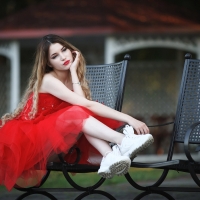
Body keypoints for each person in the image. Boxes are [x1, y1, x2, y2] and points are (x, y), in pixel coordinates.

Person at [0, 34, 154, 191]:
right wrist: (130, 119)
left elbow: (83, 108)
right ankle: (122, 141)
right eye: (55, 56)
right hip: (34, 147)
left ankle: (109, 156)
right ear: (48, 63)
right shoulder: (48, 80)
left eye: (64, 50)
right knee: (75, 113)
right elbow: (85, 105)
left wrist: (73, 71)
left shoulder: (69, 76)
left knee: (78, 113)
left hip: (57, 143)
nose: (63, 57)